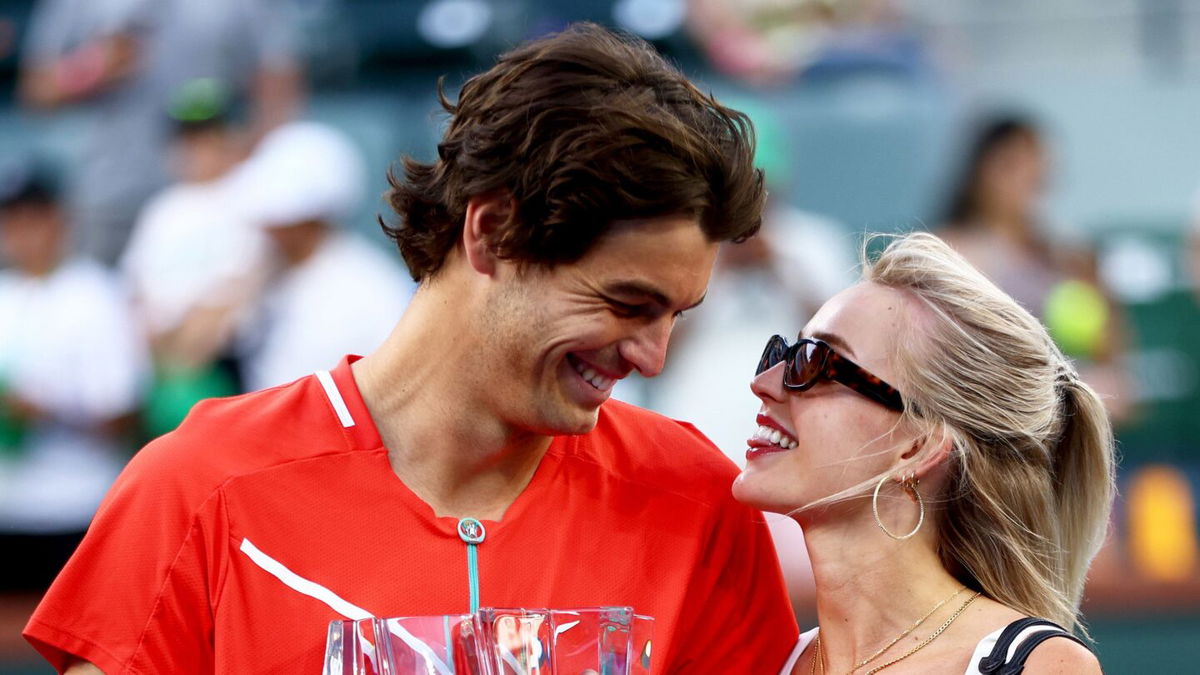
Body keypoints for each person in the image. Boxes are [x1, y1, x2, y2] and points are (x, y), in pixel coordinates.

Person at [24, 23, 798, 674]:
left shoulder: (697, 502)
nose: (652, 356)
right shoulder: (199, 488)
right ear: (492, 232)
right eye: (627, 303)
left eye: (676, 314)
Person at [734, 232, 1114, 674]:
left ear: (917, 445)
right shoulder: (766, 661)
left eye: (815, 361)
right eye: (783, 353)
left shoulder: (1041, 666)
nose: (764, 383)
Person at [18, 0, 301, 264]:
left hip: (211, 199)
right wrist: (91, 67)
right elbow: (34, 93)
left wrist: (254, 159)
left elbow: (277, 80)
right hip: (110, 201)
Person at [0, 159, 147, 591]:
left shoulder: (96, 294)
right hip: (9, 504)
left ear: (58, 218)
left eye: (33, 215)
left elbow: (124, 417)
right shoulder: (4, 295)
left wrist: (46, 410)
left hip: (77, 505)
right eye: (11, 217)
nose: (22, 230)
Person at [938, 114, 1132, 423]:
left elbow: (1116, 371)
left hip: (1063, 424)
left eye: (1034, 167)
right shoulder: (946, 253)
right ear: (979, 174)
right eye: (1011, 165)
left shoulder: (1072, 256)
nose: (1025, 179)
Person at [234, 120, 414, 392]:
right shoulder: (263, 274)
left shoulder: (374, 287)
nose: (267, 229)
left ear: (311, 219)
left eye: (281, 220)